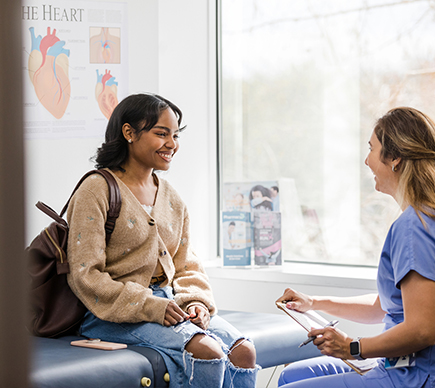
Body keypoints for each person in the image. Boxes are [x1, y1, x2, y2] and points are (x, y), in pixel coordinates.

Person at [66, 93, 258, 388]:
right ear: (129, 132)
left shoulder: (170, 196)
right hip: (111, 315)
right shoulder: (96, 189)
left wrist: (196, 302)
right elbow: (85, 275)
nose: (172, 144)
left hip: (171, 305)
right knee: (206, 351)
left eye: (176, 135)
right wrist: (149, 305)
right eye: (161, 133)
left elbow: (186, 264)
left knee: (244, 352)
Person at [276, 107, 435, 388]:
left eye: (372, 149)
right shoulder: (418, 219)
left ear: (395, 158)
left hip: (413, 374)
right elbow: (386, 306)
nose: (366, 160)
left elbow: (422, 329)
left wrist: (352, 347)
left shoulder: (413, 227)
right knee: (293, 374)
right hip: (402, 364)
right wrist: (314, 303)